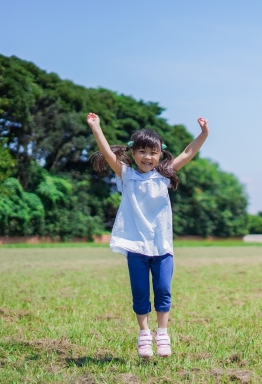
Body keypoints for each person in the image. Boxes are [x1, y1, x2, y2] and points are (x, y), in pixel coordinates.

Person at [86, 112, 209, 358]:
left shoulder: (163, 175)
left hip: (162, 246)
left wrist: (204, 134)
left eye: (153, 152)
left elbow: (188, 152)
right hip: (136, 246)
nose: (147, 157)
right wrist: (96, 127)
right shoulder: (126, 175)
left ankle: (162, 333)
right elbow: (108, 153)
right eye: (142, 151)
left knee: (163, 290)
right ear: (133, 153)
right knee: (140, 293)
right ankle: (144, 334)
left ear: (160, 155)